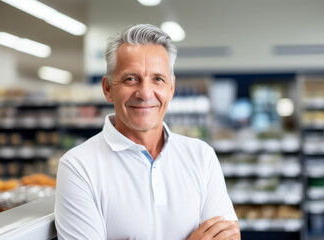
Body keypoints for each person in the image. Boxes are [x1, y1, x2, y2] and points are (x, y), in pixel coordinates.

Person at [55, 24, 240, 240]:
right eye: (130, 79)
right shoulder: (79, 167)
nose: (144, 93)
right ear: (108, 89)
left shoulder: (201, 157)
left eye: (158, 79)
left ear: (171, 88)